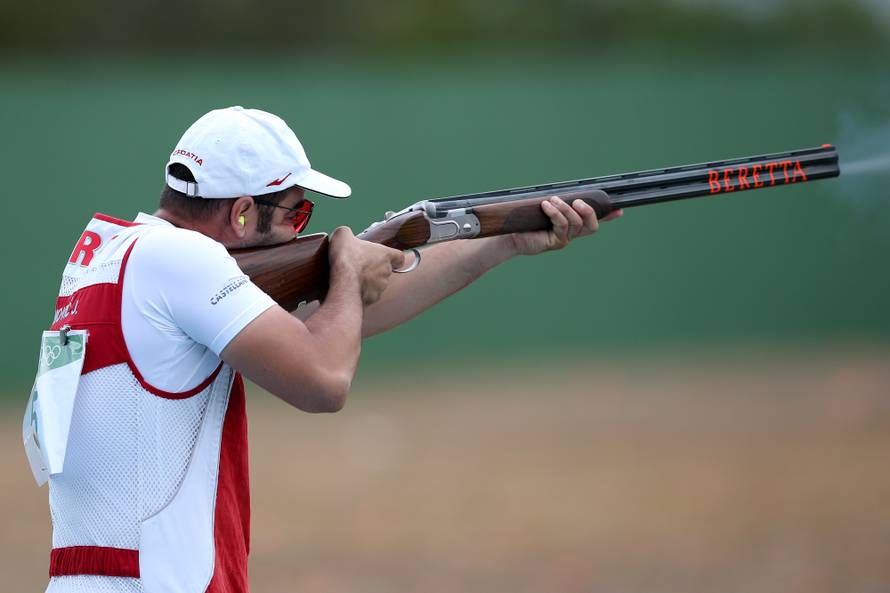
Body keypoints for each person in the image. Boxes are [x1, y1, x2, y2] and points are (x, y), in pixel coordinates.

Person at [43, 106, 621, 593]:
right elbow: (324, 377)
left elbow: (328, 325)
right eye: (297, 212)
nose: (302, 229)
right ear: (242, 212)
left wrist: (502, 243)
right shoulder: (182, 261)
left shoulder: (112, 256)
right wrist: (346, 270)